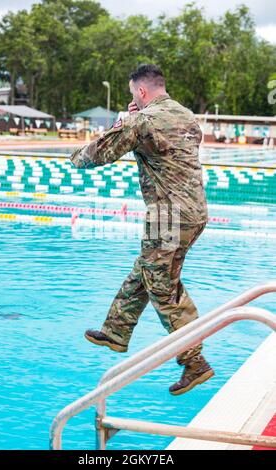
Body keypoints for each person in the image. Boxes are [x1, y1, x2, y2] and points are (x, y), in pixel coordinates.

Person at [70, 64, 214, 395]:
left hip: (167, 216)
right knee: (146, 271)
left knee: (162, 287)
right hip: (195, 212)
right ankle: (116, 330)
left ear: (141, 92)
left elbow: (96, 155)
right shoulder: (188, 118)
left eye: (133, 94)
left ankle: (195, 362)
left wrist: (79, 153)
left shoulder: (141, 121)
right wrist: (136, 118)